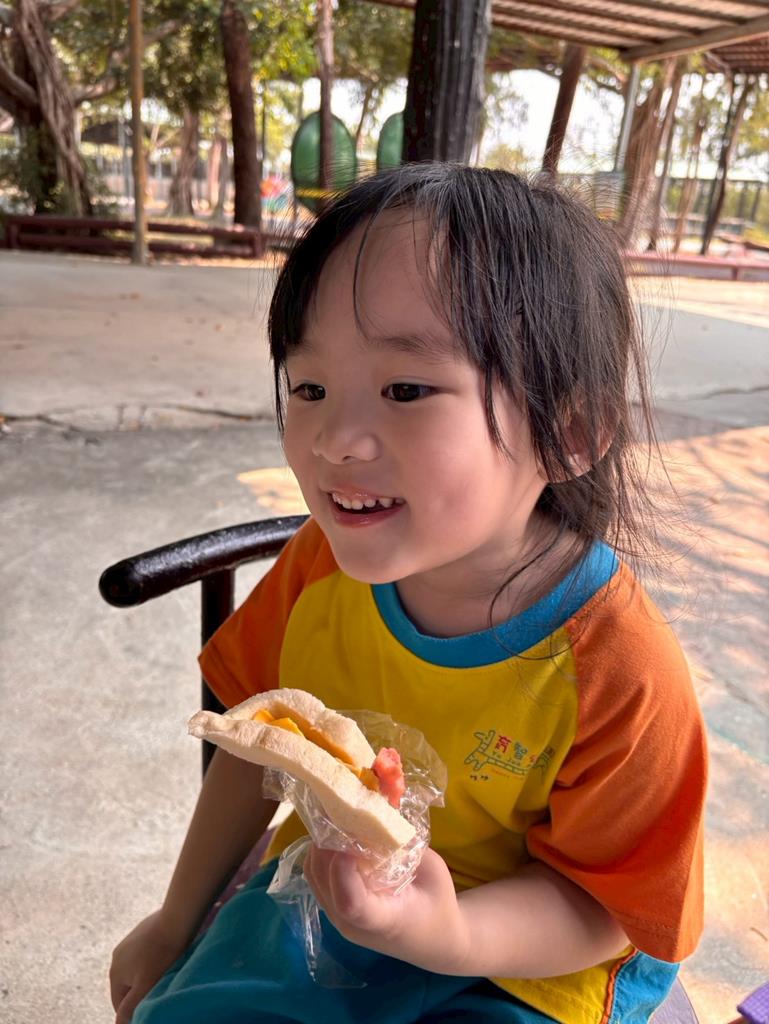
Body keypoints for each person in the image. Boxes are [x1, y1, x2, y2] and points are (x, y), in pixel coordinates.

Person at [110, 164, 707, 1024]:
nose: (335, 441)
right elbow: (259, 747)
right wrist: (174, 923)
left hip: (528, 962)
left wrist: (446, 934)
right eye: (309, 387)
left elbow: (606, 908)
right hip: (330, 893)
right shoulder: (316, 568)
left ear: (569, 432)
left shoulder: (618, 669)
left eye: (405, 390)